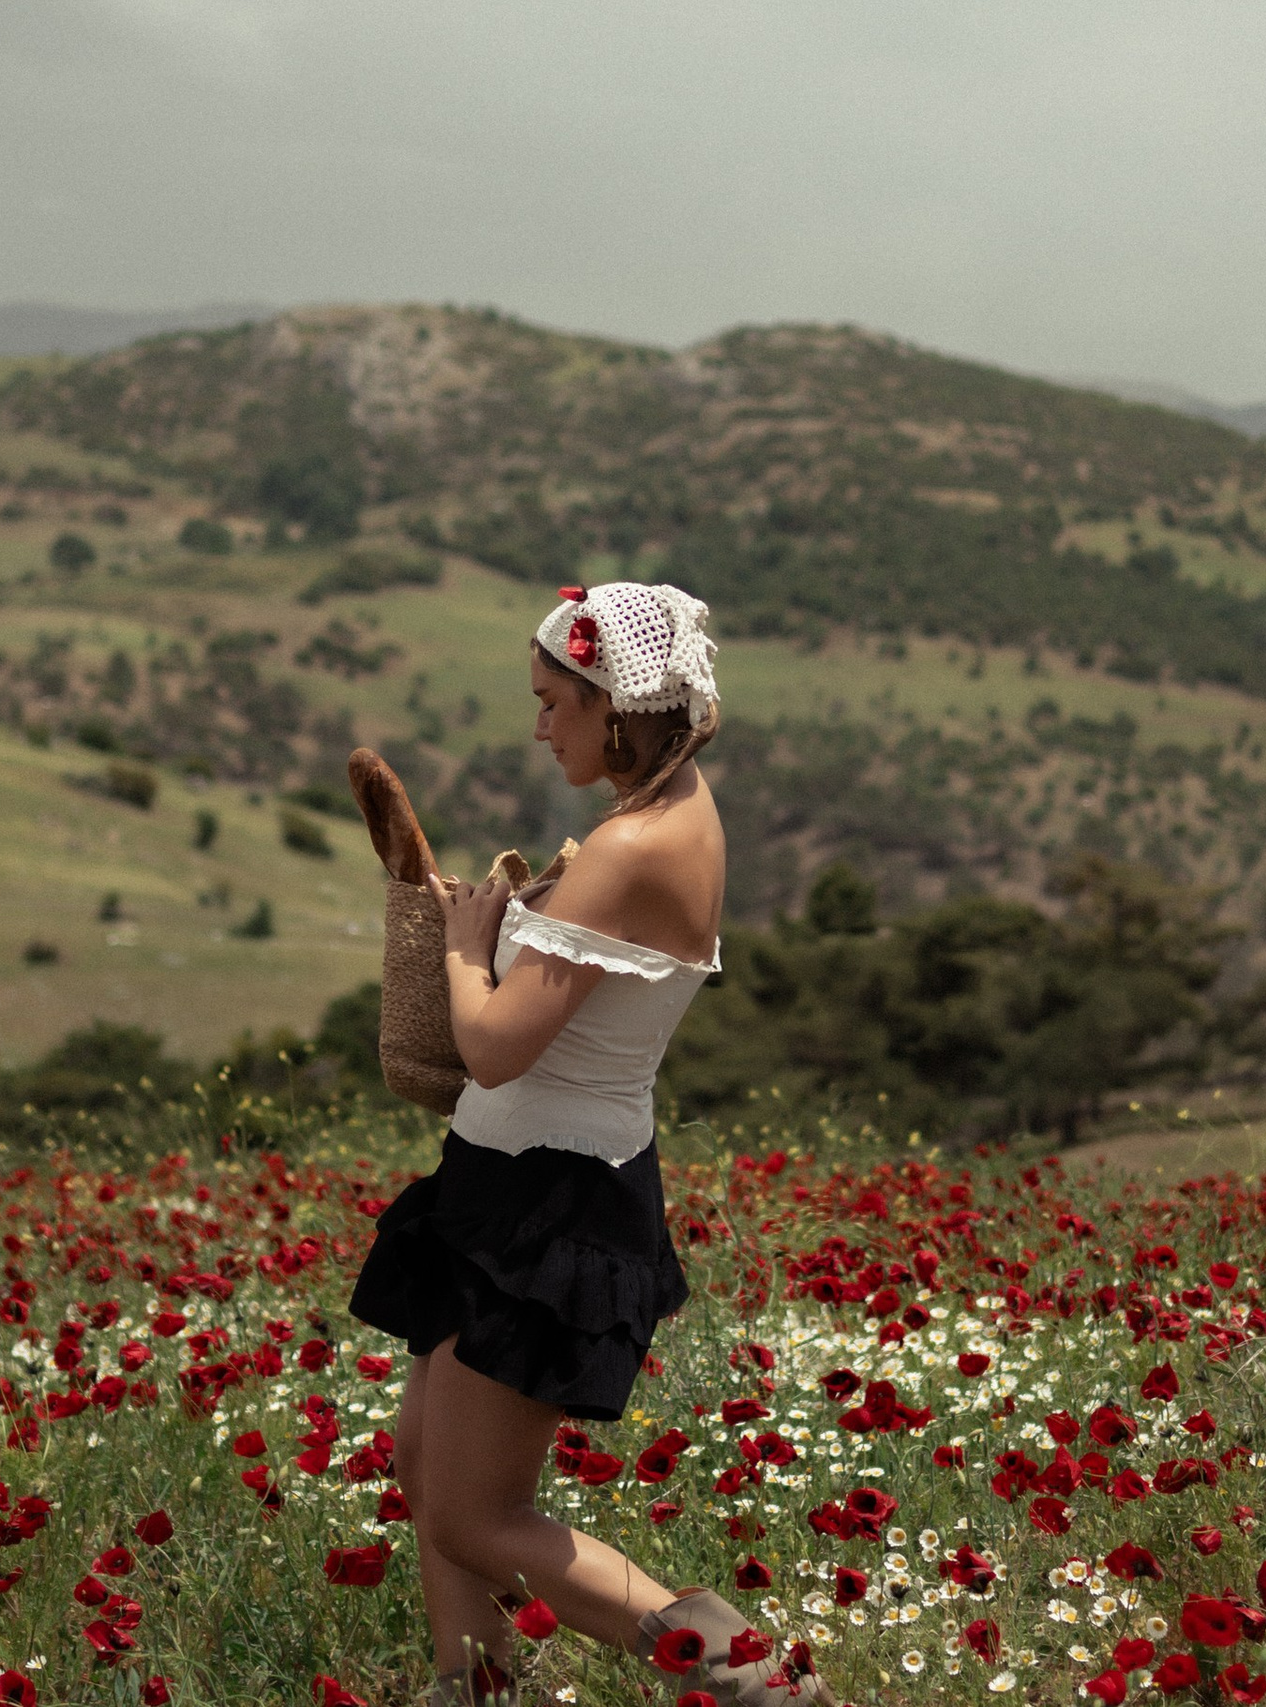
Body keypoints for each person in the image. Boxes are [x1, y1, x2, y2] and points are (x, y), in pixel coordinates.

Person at [348, 583, 829, 1707]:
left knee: (475, 1510)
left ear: (614, 706)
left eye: (552, 703)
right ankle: (476, 1690)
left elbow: (499, 1048)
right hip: (519, 1181)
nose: (538, 727)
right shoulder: (673, 812)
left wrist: (468, 948)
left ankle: (746, 1676)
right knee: (428, 1469)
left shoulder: (629, 848)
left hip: (548, 1201)